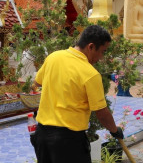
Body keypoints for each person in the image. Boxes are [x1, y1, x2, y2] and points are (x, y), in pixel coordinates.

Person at [31, 25, 124, 163]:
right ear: (91, 47)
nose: (101, 57)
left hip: (42, 137)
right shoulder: (90, 74)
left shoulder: (53, 58)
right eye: (103, 52)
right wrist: (115, 130)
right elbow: (102, 113)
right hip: (68, 142)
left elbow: (36, 84)